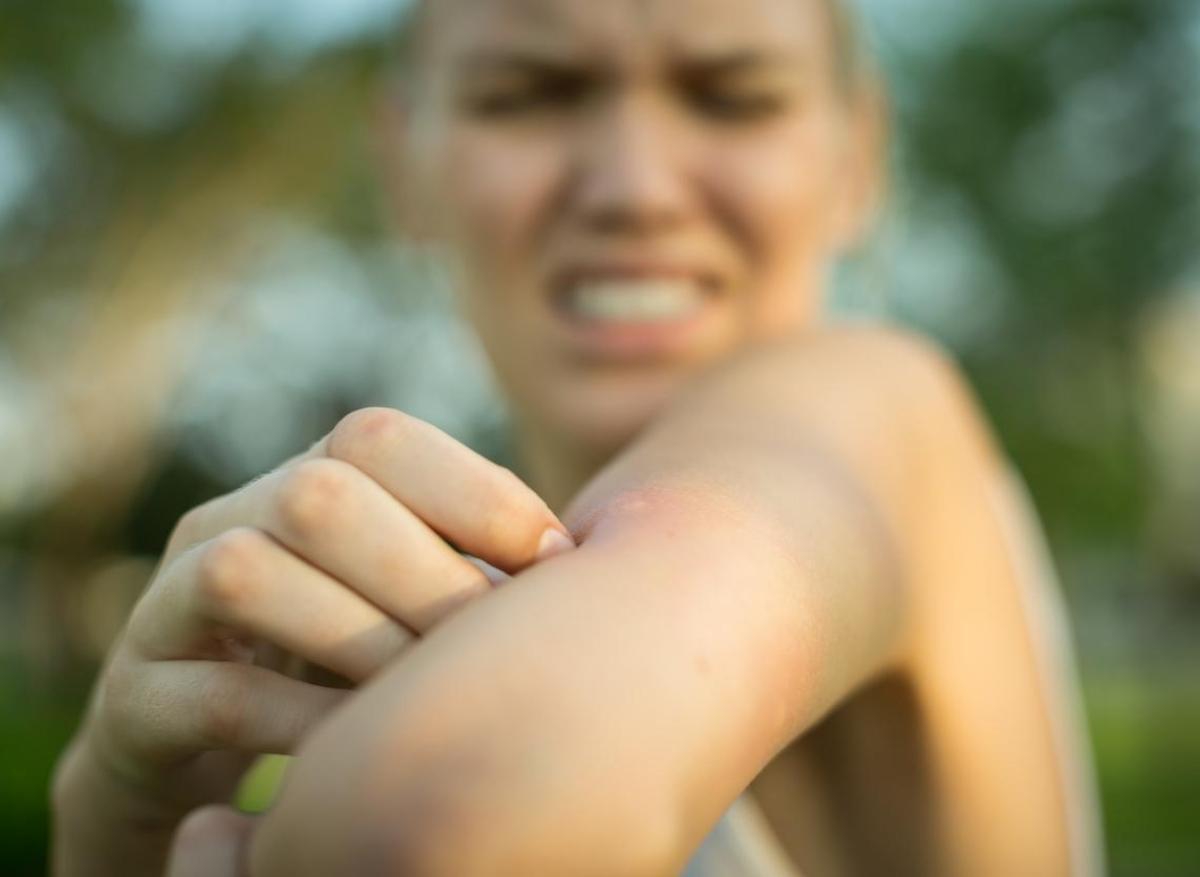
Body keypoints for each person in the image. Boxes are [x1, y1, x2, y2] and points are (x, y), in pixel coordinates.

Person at [51, 0, 1105, 873]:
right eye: (529, 95)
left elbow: (441, 817)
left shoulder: (882, 410)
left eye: (733, 95)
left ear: (855, 160)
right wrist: (118, 821)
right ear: (406, 165)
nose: (635, 187)